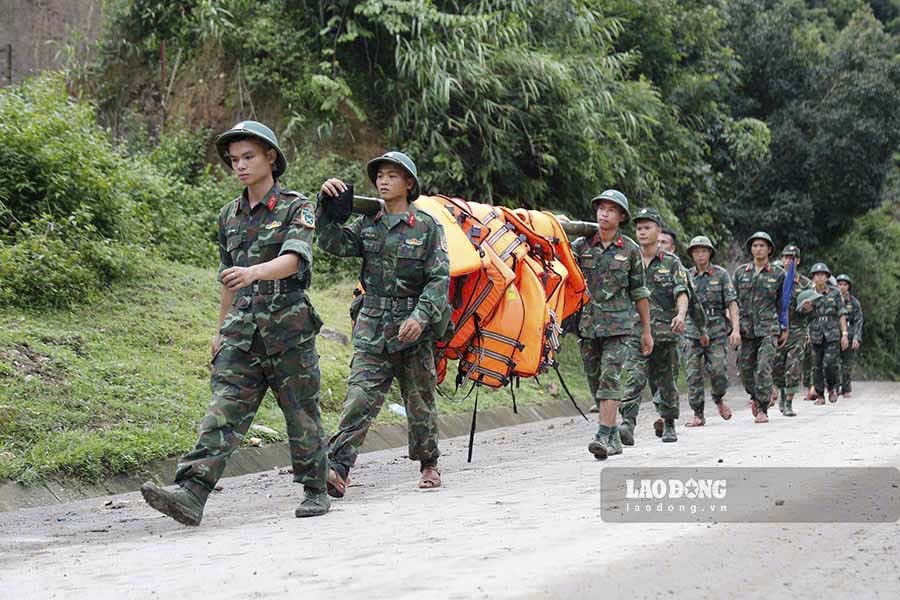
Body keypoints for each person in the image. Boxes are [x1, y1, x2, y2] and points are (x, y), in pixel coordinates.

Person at [141, 121, 330, 524]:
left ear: (270, 159)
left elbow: (294, 259)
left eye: (248, 157)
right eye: (234, 160)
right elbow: (229, 277)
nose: (240, 166)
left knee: (301, 412)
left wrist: (255, 272)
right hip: (242, 331)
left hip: (288, 328)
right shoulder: (229, 215)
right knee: (223, 409)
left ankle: (316, 487)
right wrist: (219, 328)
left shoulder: (298, 207)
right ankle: (192, 492)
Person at [317, 151, 450, 496]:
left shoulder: (427, 227)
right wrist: (326, 209)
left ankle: (429, 463)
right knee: (359, 398)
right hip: (373, 327)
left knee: (420, 401)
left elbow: (438, 280)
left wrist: (421, 318)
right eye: (379, 175)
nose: (383, 180)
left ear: (409, 183)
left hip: (413, 330)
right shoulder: (368, 223)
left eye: (392, 175)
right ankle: (338, 468)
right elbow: (334, 244)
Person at [573, 190, 652, 459]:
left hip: (619, 328)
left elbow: (639, 292)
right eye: (601, 208)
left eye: (611, 209)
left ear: (621, 216)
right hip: (588, 325)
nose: (604, 213)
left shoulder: (630, 250)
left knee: (610, 377)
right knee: (596, 382)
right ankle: (615, 436)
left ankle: (603, 436)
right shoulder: (581, 246)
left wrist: (646, 331)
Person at [618, 208, 703, 444]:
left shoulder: (672, 263)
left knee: (666, 382)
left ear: (658, 230)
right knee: (635, 377)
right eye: (639, 228)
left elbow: (682, 292)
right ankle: (627, 424)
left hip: (666, 333)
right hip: (636, 332)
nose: (642, 232)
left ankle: (668, 422)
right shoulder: (628, 260)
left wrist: (681, 314)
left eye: (647, 227)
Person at [683, 235, 740, 426]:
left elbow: (732, 303)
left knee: (718, 370)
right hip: (692, 331)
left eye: (704, 251)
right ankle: (698, 413)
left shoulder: (721, 275)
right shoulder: (686, 275)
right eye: (696, 251)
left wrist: (736, 329)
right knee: (692, 373)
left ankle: (718, 397)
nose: (700, 255)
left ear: (710, 253)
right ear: (691, 254)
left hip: (716, 330)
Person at [733, 232, 788, 423]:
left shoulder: (779, 274)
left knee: (764, 367)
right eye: (755, 245)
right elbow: (732, 302)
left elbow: (783, 304)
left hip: (769, 328)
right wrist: (734, 327)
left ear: (769, 249)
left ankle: (763, 407)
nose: (758, 249)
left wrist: (784, 328)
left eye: (762, 246)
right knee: (745, 369)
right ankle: (756, 395)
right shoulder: (741, 273)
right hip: (745, 329)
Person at [771, 245, 812, 417]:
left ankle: (788, 402)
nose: (789, 260)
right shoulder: (775, 279)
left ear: (798, 260)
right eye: (786, 257)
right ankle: (781, 392)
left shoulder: (805, 283)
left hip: (797, 330)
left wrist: (808, 308)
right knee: (777, 367)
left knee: (793, 367)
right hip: (778, 329)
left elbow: (812, 310)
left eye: (793, 258)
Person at [807, 263, 849, 404]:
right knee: (816, 365)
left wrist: (844, 334)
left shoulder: (835, 293)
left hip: (832, 334)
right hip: (815, 333)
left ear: (827, 277)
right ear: (813, 278)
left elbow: (842, 313)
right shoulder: (808, 294)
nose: (819, 277)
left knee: (830, 363)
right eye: (816, 275)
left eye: (822, 275)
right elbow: (803, 315)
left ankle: (832, 388)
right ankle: (820, 394)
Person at [836, 274, 863, 398]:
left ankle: (846, 388)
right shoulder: (833, 299)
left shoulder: (854, 302)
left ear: (849, 286)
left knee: (847, 363)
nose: (842, 287)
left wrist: (857, 337)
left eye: (844, 284)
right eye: (840, 284)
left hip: (850, 334)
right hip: (834, 334)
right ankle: (834, 387)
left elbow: (858, 321)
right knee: (832, 362)